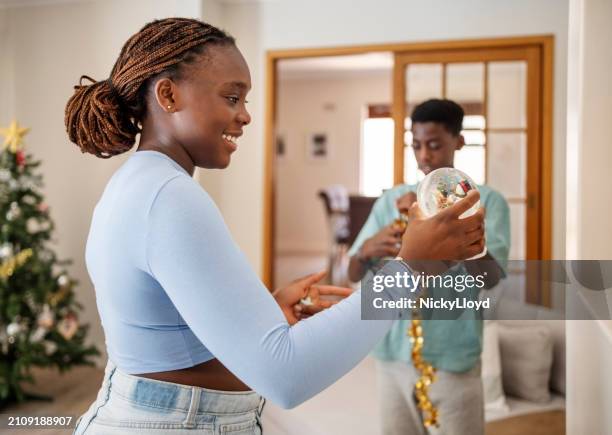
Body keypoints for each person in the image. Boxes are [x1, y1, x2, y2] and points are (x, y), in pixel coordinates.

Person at [65, 19, 485, 435]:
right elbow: (287, 375)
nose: (245, 116)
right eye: (232, 97)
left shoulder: (135, 183)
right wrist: (410, 268)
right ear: (168, 95)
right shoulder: (169, 196)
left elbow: (166, 339)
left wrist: (260, 314)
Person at [348, 99, 510, 435]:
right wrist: (367, 248)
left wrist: (462, 226)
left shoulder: (486, 201)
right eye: (416, 145)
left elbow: (491, 278)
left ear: (459, 142)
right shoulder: (392, 201)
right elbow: (350, 273)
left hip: (454, 353)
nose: (424, 156)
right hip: (392, 350)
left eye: (434, 145)